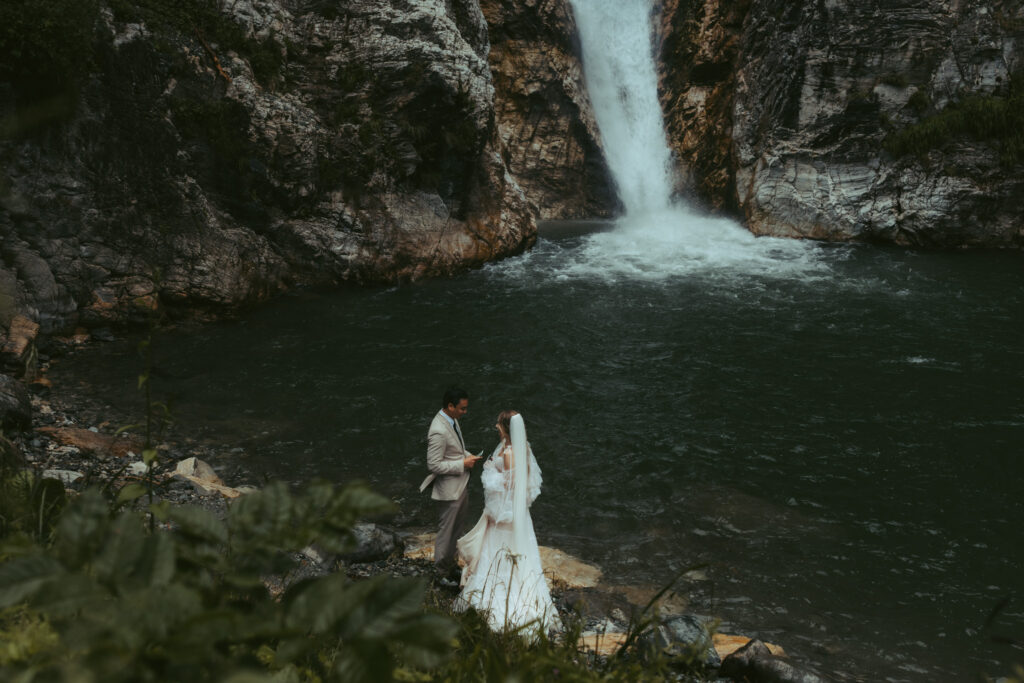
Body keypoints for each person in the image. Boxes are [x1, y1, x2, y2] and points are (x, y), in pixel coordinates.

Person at [454, 411, 561, 635]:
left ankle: (501, 605)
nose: (495, 426)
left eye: (499, 424)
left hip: (507, 515)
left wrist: (491, 476)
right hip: (513, 514)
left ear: (506, 428)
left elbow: (511, 488)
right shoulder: (515, 448)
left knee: (500, 554)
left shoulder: (512, 453)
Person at [420, 386, 481, 586]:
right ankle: (440, 573)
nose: (465, 412)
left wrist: (467, 455)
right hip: (449, 490)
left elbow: (456, 450)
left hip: (460, 485)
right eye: (462, 408)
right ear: (450, 406)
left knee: (457, 529)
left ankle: (451, 565)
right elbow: (433, 464)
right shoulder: (438, 430)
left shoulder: (452, 420)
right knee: (446, 531)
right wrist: (462, 464)